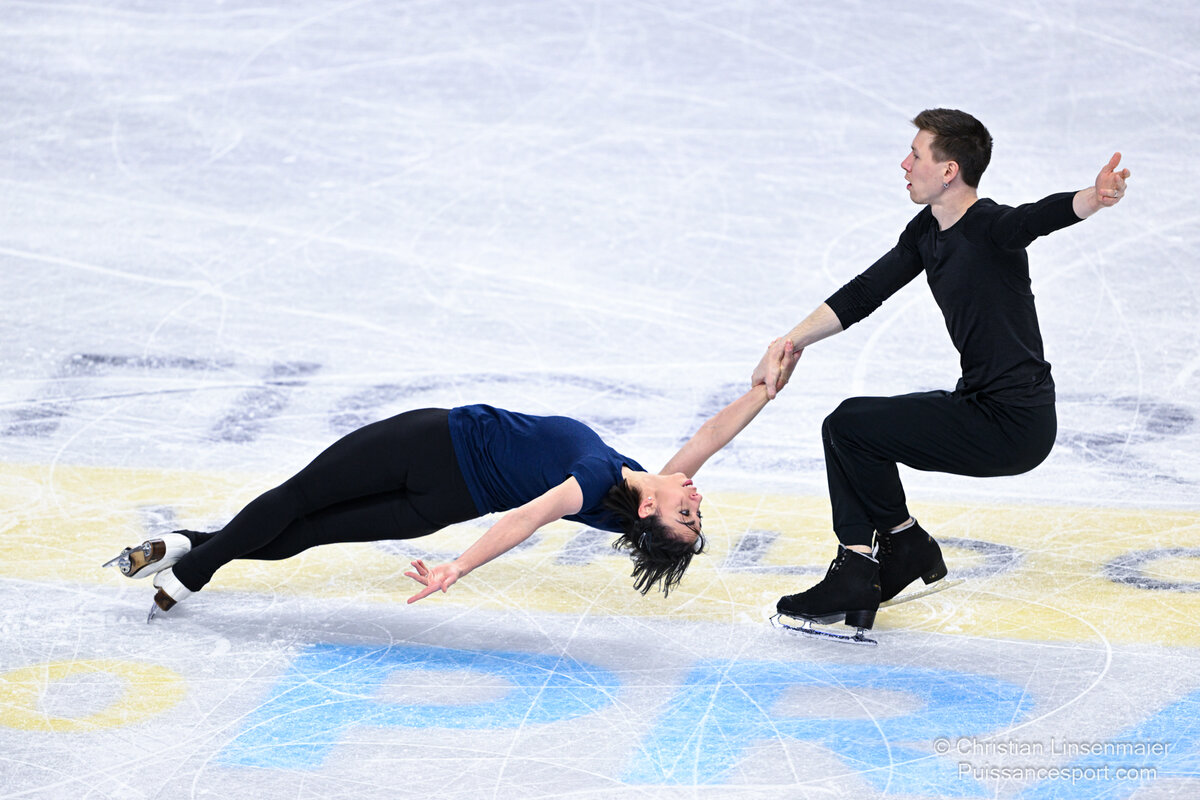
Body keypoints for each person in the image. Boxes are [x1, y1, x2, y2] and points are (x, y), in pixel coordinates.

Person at [753, 108, 1130, 634]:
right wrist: (788, 342)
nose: (904, 164)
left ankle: (872, 562)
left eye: (916, 154)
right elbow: (865, 292)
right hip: (978, 403)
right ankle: (899, 546)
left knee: (850, 427)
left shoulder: (991, 226)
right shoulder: (927, 231)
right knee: (849, 429)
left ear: (949, 170)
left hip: (1015, 423)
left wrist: (1093, 197)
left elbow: (1039, 216)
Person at [106, 360, 799, 620]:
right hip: (437, 503)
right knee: (305, 530)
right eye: (696, 513)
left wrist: (458, 567)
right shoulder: (632, 497)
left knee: (298, 504)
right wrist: (764, 390)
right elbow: (709, 435)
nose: (697, 501)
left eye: (687, 514)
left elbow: (527, 519)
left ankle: (191, 568)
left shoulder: (596, 479)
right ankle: (189, 546)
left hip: (427, 447)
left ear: (651, 510)